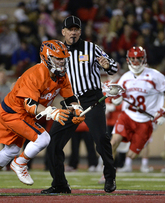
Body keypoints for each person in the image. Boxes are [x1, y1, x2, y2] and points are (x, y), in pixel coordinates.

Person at [0, 40, 85, 195]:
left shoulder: (61, 76)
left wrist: (77, 108)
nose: (62, 62)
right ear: (46, 57)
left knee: (11, 150)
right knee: (44, 138)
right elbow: (30, 105)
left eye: (63, 59)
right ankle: (20, 163)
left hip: (16, 112)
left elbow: (69, 97)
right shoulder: (35, 74)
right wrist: (52, 112)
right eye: (58, 58)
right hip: (14, 112)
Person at [42, 15, 118, 194]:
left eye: (76, 29)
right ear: (63, 32)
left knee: (101, 139)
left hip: (92, 99)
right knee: (53, 142)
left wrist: (107, 66)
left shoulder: (92, 48)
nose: (73, 32)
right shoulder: (57, 50)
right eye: (70, 29)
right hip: (70, 102)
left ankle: (110, 176)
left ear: (80, 31)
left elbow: (114, 68)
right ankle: (60, 184)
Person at [110, 46, 165, 174]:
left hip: (145, 120)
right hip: (127, 116)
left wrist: (163, 111)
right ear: (128, 59)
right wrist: (116, 98)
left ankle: (134, 162)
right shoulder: (125, 77)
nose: (135, 61)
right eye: (133, 58)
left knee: (131, 155)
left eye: (138, 58)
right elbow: (117, 96)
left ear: (144, 59)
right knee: (113, 142)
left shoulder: (155, 76)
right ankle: (107, 171)